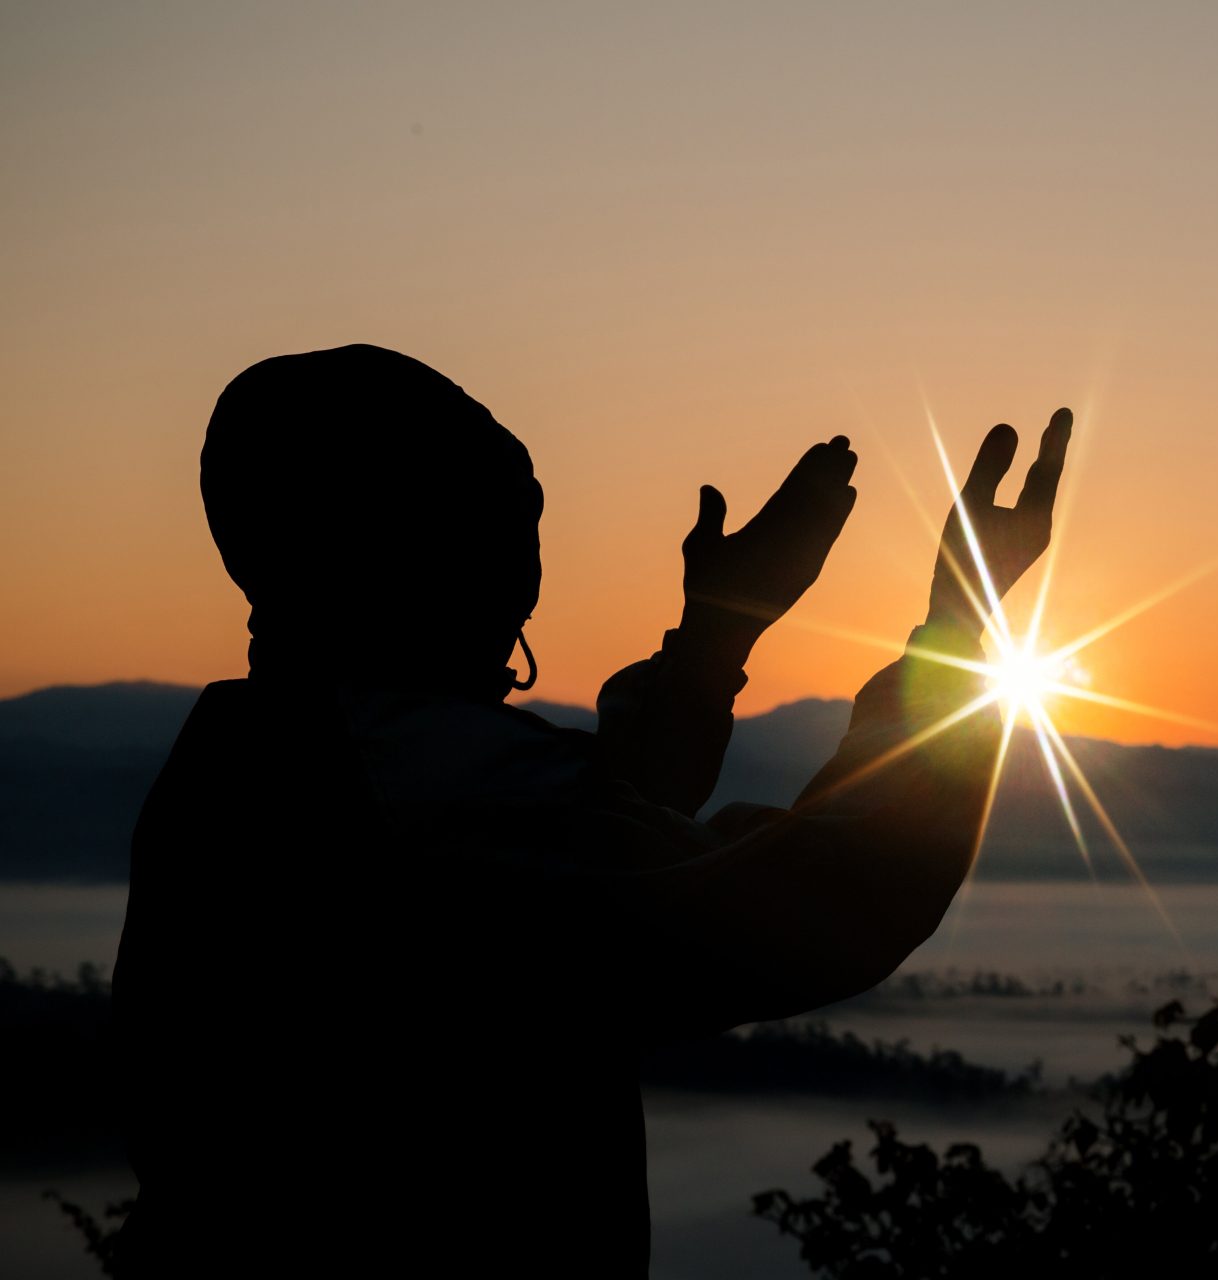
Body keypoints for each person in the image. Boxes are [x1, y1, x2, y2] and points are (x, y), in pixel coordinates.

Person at [110, 344, 1071, 1275]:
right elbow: (827, 901)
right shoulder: (413, 783)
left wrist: (720, 627)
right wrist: (958, 627)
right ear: (399, 542)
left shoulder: (271, 757)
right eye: (498, 511)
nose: (526, 552)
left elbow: (601, 827)